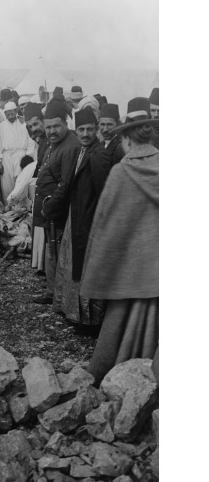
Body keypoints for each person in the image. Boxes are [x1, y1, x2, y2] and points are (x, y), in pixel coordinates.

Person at [81, 97, 159, 384]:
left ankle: (122, 384)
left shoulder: (121, 172)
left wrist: (98, 271)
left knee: (118, 343)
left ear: (126, 137)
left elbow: (105, 228)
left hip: (129, 280)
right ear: (150, 132)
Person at [45, 107, 111, 330]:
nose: (85, 134)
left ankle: (88, 319)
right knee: (74, 263)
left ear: (96, 129)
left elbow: (104, 193)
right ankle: (73, 311)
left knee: (84, 266)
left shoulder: (98, 154)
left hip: (90, 219)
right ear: (76, 129)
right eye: (81, 129)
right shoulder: (82, 151)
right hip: (78, 215)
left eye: (90, 129)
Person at [33, 100, 80, 304]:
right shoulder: (54, 143)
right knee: (52, 251)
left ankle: (59, 295)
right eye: (48, 126)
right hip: (49, 210)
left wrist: (51, 207)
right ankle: (52, 291)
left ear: (66, 124)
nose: (51, 131)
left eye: (56, 126)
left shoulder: (70, 146)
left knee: (58, 253)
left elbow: (66, 183)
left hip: (58, 211)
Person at [23, 102, 49, 273]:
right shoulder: (41, 142)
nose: (33, 129)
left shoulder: (49, 140)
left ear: (43, 121)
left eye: (36, 124)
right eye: (30, 126)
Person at [0, 101, 36, 202]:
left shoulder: (24, 124)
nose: (10, 116)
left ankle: (22, 208)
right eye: (8, 114)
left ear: (16, 111)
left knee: (21, 182)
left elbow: (31, 142)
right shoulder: (1, 126)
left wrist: (27, 157)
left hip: (21, 156)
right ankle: (9, 208)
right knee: (6, 185)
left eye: (12, 113)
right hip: (6, 156)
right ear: (5, 114)